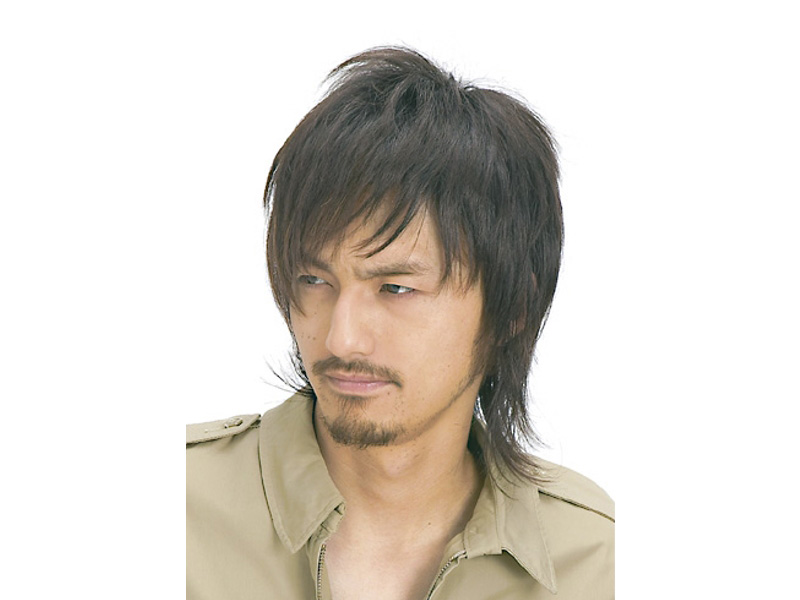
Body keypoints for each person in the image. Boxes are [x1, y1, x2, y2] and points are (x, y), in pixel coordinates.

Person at [186, 46, 614, 600]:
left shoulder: (597, 562)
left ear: (512, 309)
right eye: (314, 280)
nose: (341, 338)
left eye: (396, 288)